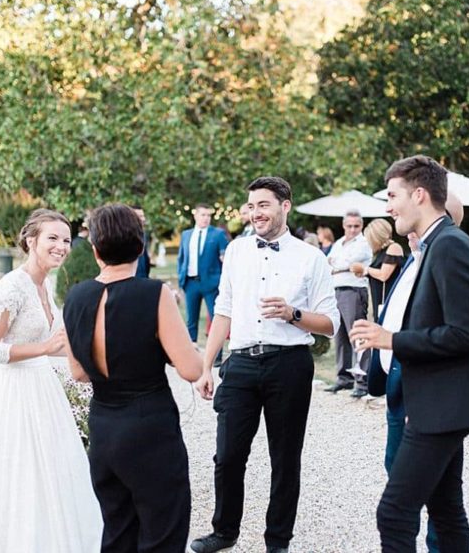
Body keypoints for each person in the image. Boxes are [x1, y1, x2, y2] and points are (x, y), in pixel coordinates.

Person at [350, 155, 469, 552]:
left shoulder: (449, 245)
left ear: (419, 195)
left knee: (394, 511)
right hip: (437, 401)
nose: (388, 207)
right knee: (445, 509)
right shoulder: (437, 244)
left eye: (393, 195)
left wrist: (392, 340)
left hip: (445, 406)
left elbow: (467, 333)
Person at [188, 176, 339, 553]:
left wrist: (292, 314)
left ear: (285, 206)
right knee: (227, 455)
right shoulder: (237, 251)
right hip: (239, 364)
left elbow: (330, 323)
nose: (256, 213)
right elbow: (222, 311)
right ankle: (224, 532)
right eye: (251, 206)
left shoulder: (311, 257)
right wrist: (207, 365)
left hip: (288, 364)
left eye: (263, 205)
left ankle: (278, 541)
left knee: (285, 458)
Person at [63, 203, 203, 553]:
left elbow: (78, 372)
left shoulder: (75, 297)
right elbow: (192, 369)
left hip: (104, 429)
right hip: (149, 430)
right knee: (162, 534)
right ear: (140, 247)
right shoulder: (154, 293)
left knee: (117, 534)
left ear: (95, 250)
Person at [0, 209, 103, 553]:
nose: (62, 246)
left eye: (65, 240)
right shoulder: (12, 286)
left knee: (55, 471)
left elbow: (59, 346)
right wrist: (44, 347)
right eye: (53, 238)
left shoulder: (44, 284)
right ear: (31, 241)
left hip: (43, 389)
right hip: (13, 395)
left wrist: (97, 364)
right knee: (20, 475)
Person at [324, 210, 372, 397]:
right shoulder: (338, 243)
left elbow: (348, 264)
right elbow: (329, 263)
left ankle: (362, 382)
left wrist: (337, 265)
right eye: (349, 226)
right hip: (337, 290)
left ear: (361, 226)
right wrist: (337, 266)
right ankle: (344, 378)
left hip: (353, 291)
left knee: (357, 335)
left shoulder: (363, 243)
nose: (352, 229)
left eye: (356, 226)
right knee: (340, 336)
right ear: (344, 225)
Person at [177, 204, 229, 362]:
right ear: (195, 216)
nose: (206, 218)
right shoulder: (186, 234)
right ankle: (191, 355)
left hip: (211, 284)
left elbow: (225, 259)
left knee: (215, 318)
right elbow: (181, 258)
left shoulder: (218, 234)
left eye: (208, 215)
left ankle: (216, 356)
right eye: (203, 215)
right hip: (191, 283)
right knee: (191, 320)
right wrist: (181, 278)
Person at [350, 219, 404, 322]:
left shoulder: (394, 248)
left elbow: (384, 275)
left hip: (389, 300)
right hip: (377, 301)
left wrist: (365, 269)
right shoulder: (379, 253)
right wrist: (363, 273)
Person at [132, 204, 151, 278]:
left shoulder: (143, 234)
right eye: (140, 216)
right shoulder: (123, 237)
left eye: (143, 216)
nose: (143, 219)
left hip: (143, 279)